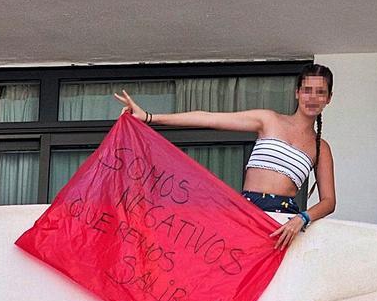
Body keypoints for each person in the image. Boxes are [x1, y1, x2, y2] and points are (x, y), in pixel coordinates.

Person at [114, 64, 336, 249]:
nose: (313, 97)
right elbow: (209, 118)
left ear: (329, 98)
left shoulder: (321, 147)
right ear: (297, 93)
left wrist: (303, 218)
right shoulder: (269, 120)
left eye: (320, 92)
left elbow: (329, 201)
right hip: (247, 210)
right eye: (307, 89)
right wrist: (150, 117)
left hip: (284, 222)